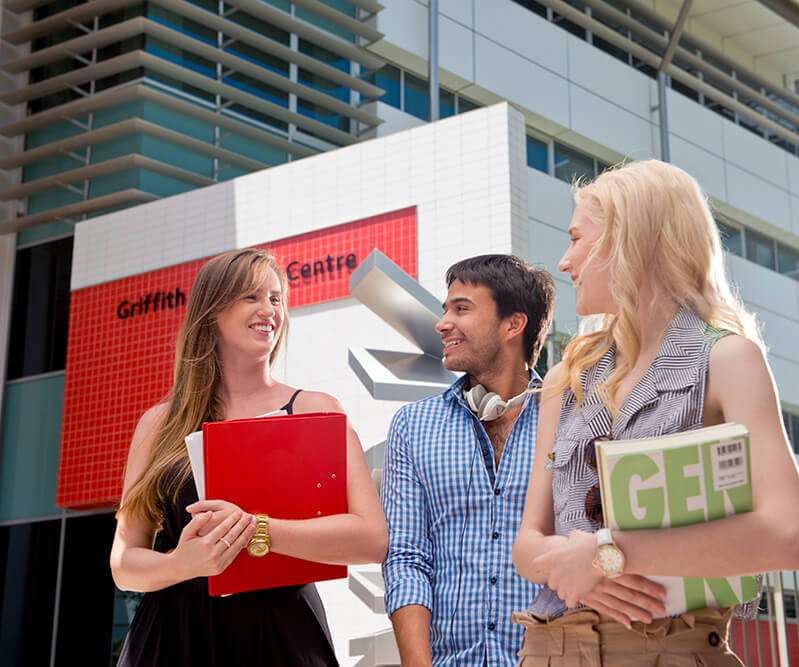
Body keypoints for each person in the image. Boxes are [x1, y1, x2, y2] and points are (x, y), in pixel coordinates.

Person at [511, 159, 799, 666]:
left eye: (578, 239)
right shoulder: (567, 376)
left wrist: (609, 554)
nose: (564, 262)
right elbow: (527, 544)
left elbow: (788, 537)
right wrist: (582, 575)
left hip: (670, 650)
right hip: (550, 649)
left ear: (630, 240)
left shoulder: (728, 359)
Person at [110, 248, 388, 667]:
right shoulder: (158, 424)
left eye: (276, 299)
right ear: (211, 312)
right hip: (173, 635)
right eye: (251, 297)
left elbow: (371, 538)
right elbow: (124, 562)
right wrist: (182, 563)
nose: (269, 310)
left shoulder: (315, 409)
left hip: (281, 632)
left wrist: (258, 530)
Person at [381, 254, 556, 666]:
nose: (443, 323)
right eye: (445, 310)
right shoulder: (412, 425)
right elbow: (407, 557)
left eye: (461, 308)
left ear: (513, 324)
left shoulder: (571, 418)